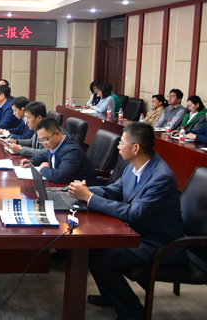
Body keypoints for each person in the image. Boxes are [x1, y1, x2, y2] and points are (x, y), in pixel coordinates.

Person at [68, 122, 186, 320]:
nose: (118, 146)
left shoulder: (161, 177)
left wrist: (89, 197)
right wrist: (85, 190)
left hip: (158, 243)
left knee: (101, 260)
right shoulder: (135, 167)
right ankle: (111, 295)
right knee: (90, 248)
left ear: (135, 148)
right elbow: (115, 190)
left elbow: (133, 213)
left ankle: (133, 313)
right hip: (137, 232)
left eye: (121, 143)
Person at [20, 117, 98, 185]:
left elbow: (60, 176)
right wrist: (31, 161)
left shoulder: (71, 151)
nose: (43, 144)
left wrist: (43, 169)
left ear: (57, 134)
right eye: (41, 140)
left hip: (83, 192)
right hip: (64, 187)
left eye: (45, 139)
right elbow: (45, 155)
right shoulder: (56, 144)